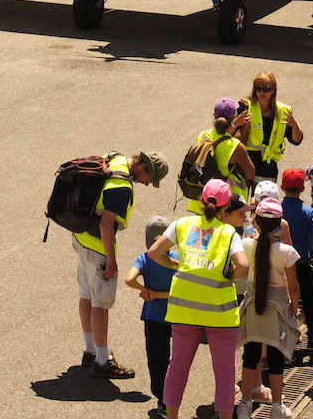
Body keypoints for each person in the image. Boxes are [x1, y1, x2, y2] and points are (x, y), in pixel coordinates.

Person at [149, 180, 250, 419]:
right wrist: (229, 275)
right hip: (219, 312)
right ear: (226, 208)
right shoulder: (228, 233)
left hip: (184, 308)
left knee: (177, 367)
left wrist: (176, 264)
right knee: (225, 372)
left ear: (201, 199)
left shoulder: (182, 224)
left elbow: (154, 252)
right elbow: (244, 266)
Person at [76, 151, 169, 379]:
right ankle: (101, 361)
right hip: (98, 245)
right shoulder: (122, 187)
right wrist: (111, 259)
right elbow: (106, 224)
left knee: (86, 295)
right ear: (142, 167)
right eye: (150, 178)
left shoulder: (114, 159)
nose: (147, 184)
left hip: (81, 237)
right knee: (101, 303)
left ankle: (90, 351)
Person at [237, 198, 301, 419]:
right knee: (275, 358)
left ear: (256, 221)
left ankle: (245, 405)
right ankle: (277, 407)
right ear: (279, 225)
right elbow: (293, 287)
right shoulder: (287, 252)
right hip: (277, 310)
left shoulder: (246, 245)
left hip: (253, 306)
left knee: (250, 356)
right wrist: (294, 309)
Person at [126, 216, 178, 417]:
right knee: (177, 360)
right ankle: (175, 398)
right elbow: (180, 289)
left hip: (153, 316)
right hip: (176, 313)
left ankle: (162, 399)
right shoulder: (176, 259)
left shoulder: (144, 258)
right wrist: (161, 294)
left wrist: (146, 290)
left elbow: (129, 279)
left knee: (157, 358)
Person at [187, 97, 255, 215]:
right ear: (234, 117)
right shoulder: (235, 146)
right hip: (227, 206)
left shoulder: (202, 136)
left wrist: (233, 125)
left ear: (214, 114)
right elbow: (250, 172)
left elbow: (218, 137)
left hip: (202, 201)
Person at [280, 168, 313, 349]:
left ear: (282, 187)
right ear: (302, 189)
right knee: (312, 299)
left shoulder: (276, 210)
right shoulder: (309, 213)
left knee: (282, 300)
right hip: (302, 263)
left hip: (280, 265)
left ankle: (284, 338)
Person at [236, 72, 303, 181]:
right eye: (258, 88)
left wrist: (295, 126)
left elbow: (296, 140)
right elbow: (231, 132)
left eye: (266, 89)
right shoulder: (245, 106)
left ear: (273, 90)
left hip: (268, 166)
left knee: (263, 199)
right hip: (246, 162)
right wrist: (236, 124)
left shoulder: (283, 111)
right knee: (241, 198)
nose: (262, 92)